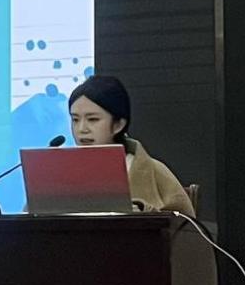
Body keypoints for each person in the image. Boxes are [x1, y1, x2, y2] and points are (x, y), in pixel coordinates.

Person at [68, 75, 195, 216]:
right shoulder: (64, 171)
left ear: (118, 125)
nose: (82, 129)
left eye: (93, 119)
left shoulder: (154, 170)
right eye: (75, 120)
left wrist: (143, 213)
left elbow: (185, 222)